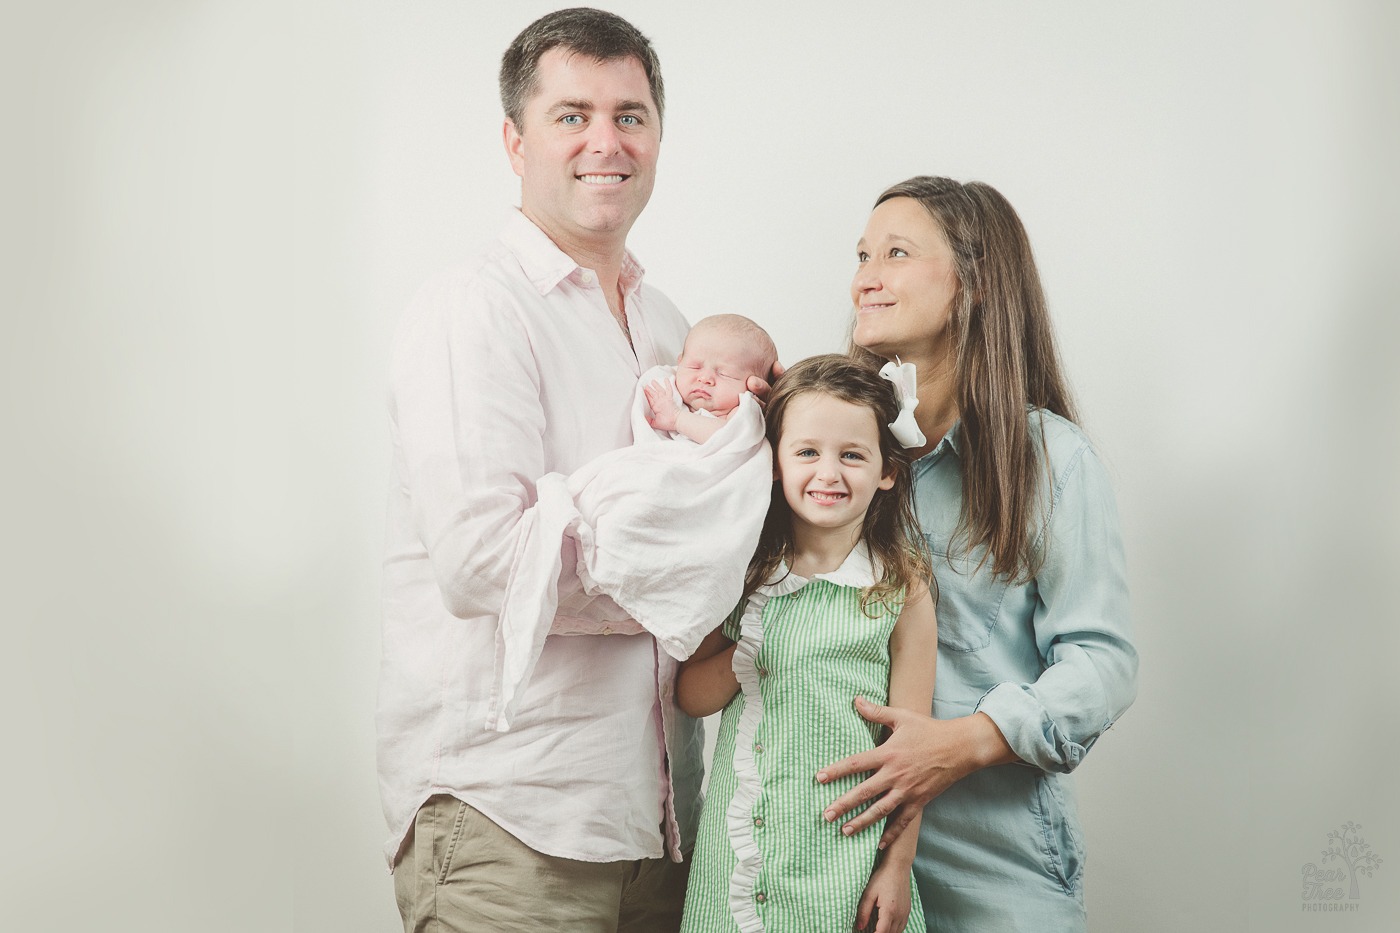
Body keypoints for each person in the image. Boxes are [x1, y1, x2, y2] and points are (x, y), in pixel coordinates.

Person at [377, 10, 769, 931]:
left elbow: (713, 527)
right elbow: (482, 566)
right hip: (509, 817)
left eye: (631, 115)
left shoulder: (678, 333)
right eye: (571, 115)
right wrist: (688, 579)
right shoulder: (471, 309)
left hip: (663, 826)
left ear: (659, 136)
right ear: (515, 141)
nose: (607, 141)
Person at [815, 176, 1139, 931]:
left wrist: (959, 744)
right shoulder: (834, 454)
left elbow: (1103, 663)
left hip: (994, 872)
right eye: (863, 253)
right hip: (838, 861)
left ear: (975, 281)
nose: (866, 275)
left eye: (896, 252)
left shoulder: (1053, 461)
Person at [676, 355, 938, 933]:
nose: (828, 473)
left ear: (886, 470)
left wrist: (897, 868)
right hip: (742, 849)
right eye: (806, 452)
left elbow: (912, 753)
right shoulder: (742, 571)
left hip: (848, 854)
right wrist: (752, 649)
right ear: (774, 462)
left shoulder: (902, 586)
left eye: (852, 454)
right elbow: (691, 694)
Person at [644, 313, 778, 445]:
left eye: (725, 374)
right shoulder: (665, 388)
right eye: (694, 367)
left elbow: (727, 438)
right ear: (679, 362)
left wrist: (677, 419)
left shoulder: (743, 412)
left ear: (754, 387)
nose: (704, 378)